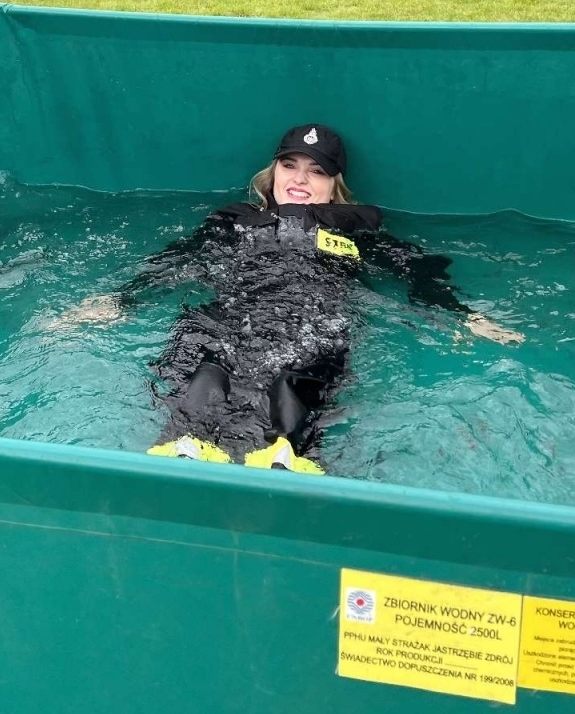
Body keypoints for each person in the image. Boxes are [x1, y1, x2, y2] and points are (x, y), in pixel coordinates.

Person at [63, 124, 524, 475]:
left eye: (317, 171)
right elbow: (175, 261)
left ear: (334, 186)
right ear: (273, 171)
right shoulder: (235, 221)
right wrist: (117, 301)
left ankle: (283, 459)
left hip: (309, 318)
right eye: (291, 165)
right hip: (234, 314)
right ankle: (183, 448)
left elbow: (414, 269)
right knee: (207, 365)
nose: (301, 179)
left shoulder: (353, 227)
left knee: (292, 380)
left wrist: (464, 316)